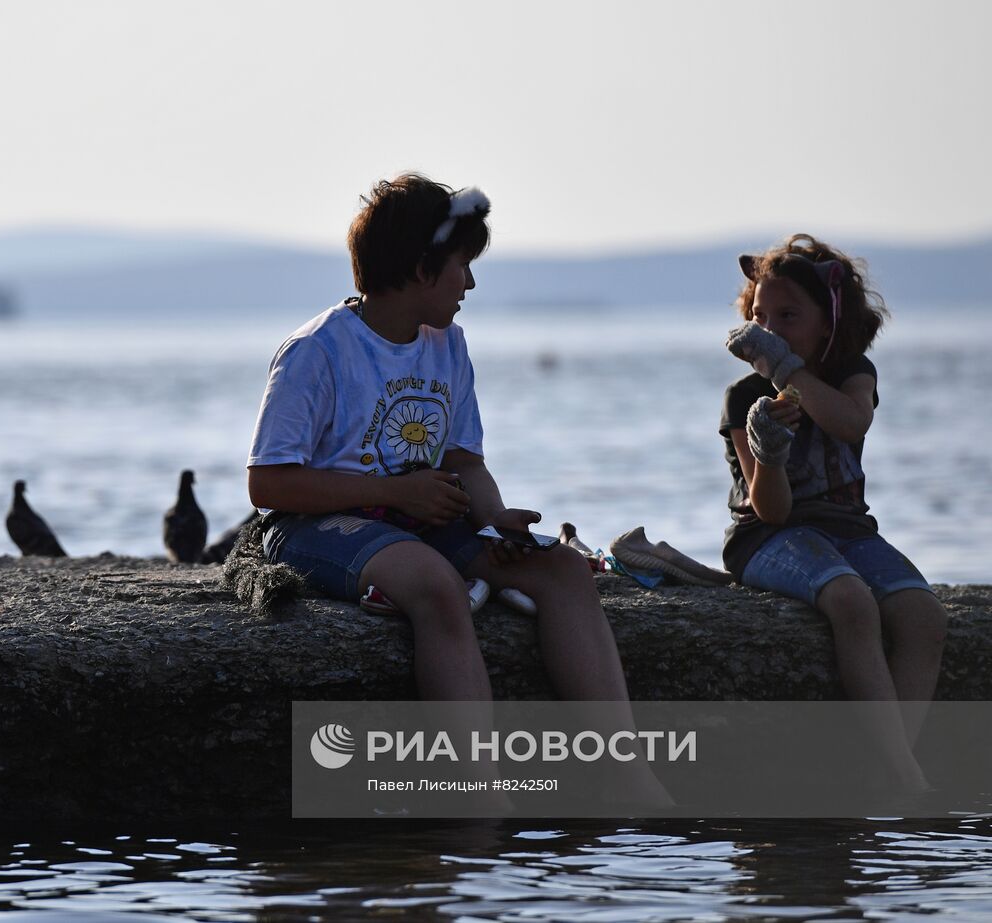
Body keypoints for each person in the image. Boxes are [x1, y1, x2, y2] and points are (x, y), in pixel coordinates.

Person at [246, 175, 668, 775]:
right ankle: (474, 785)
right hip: (317, 525)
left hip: (419, 517)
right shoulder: (317, 351)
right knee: (437, 585)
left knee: (564, 569)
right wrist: (394, 494)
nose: (470, 282)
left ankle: (624, 771)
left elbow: (466, 462)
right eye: (462, 265)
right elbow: (269, 485)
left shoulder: (447, 344)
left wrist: (493, 518)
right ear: (422, 269)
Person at [721, 233, 948, 793]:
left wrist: (791, 375)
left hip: (848, 529)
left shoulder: (852, 375)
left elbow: (851, 422)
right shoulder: (744, 397)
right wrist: (768, 448)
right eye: (760, 316)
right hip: (768, 538)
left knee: (924, 617)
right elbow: (770, 512)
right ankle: (904, 777)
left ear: (827, 322)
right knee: (849, 601)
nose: (770, 331)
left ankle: (893, 762)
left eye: (789, 316)